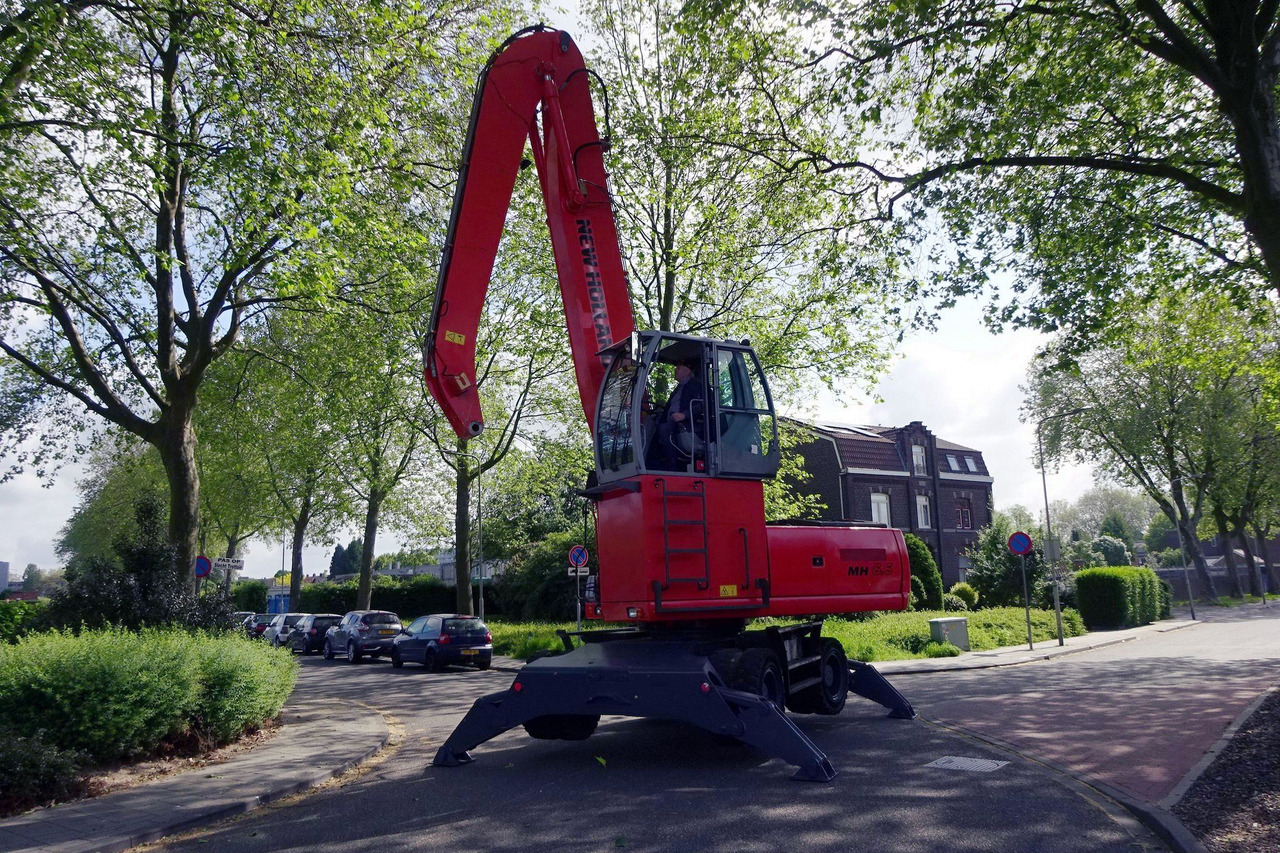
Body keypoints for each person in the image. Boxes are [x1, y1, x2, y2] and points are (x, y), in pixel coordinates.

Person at [653, 358, 704, 469]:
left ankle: (673, 464)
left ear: (687, 371)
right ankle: (654, 465)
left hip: (688, 425)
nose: (675, 370)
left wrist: (684, 415)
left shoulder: (695, 386)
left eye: (679, 368)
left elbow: (700, 406)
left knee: (664, 429)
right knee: (653, 428)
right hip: (674, 422)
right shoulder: (678, 388)